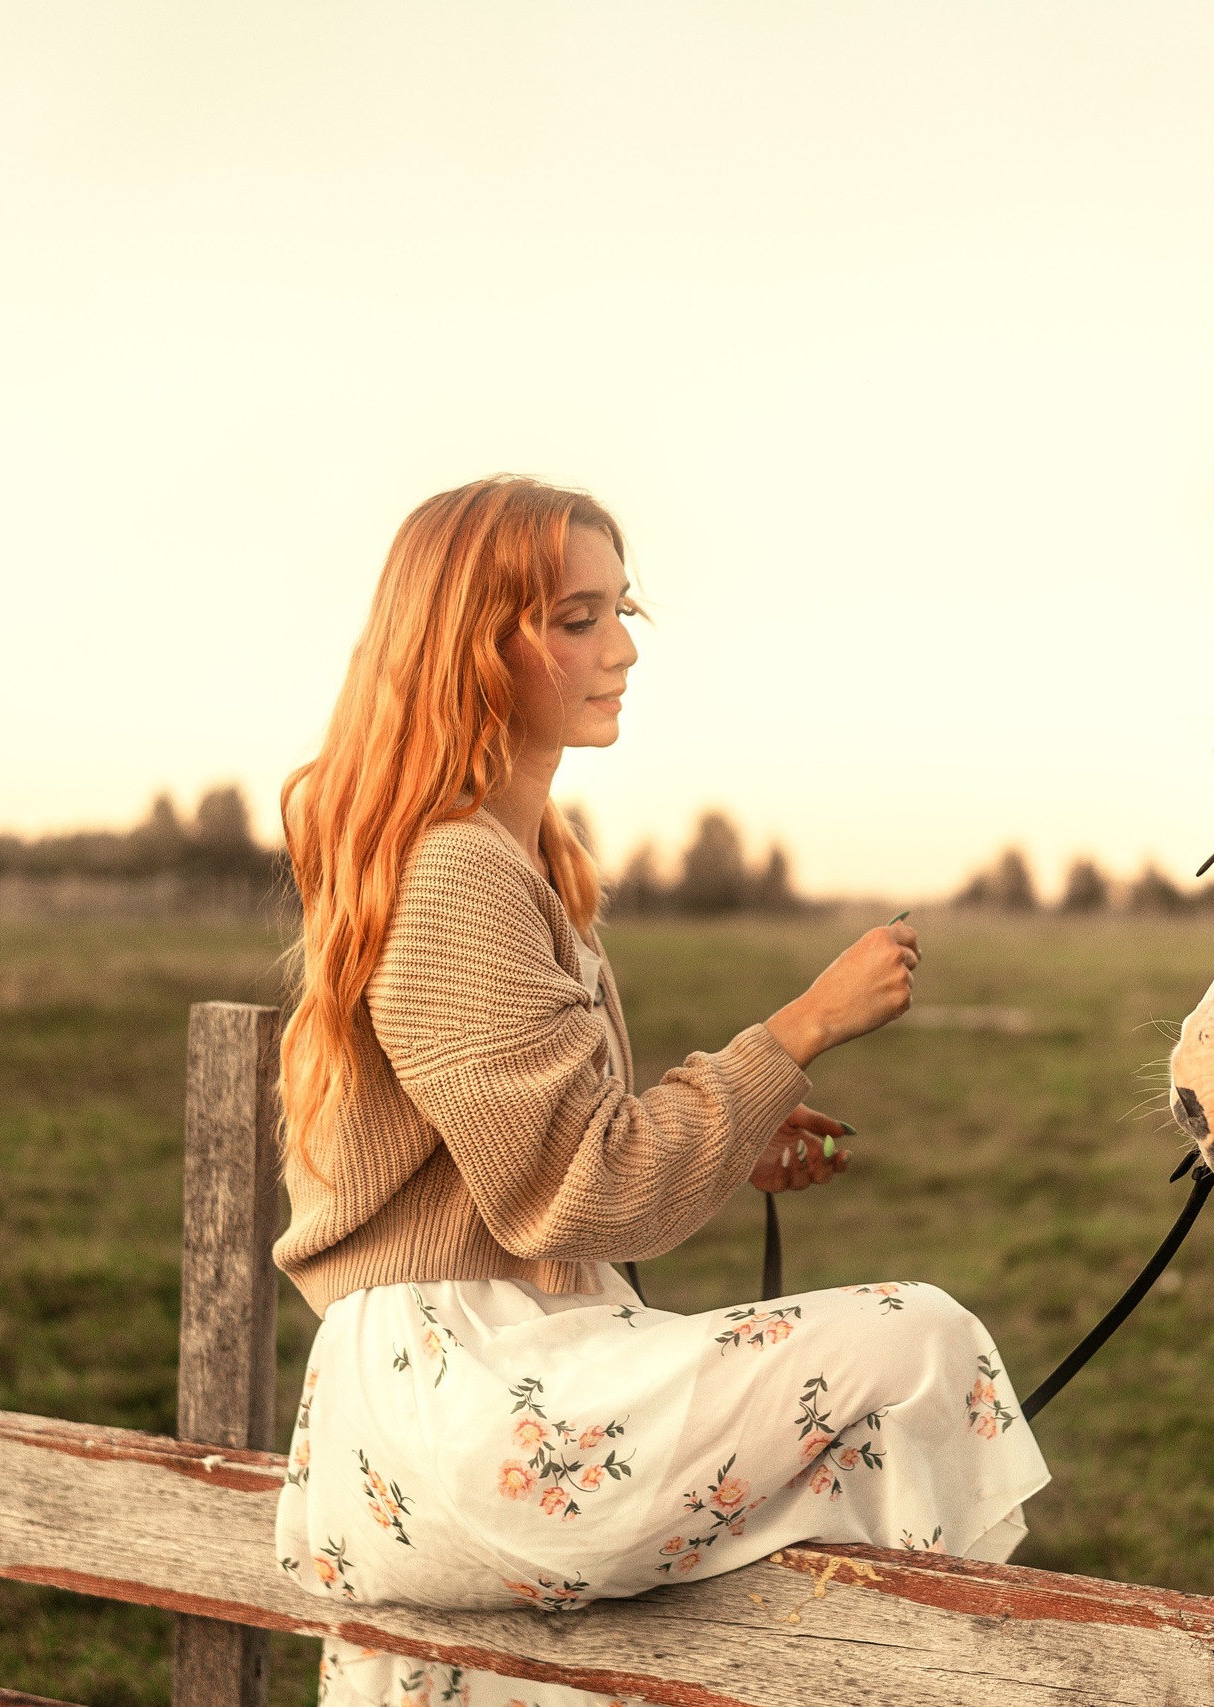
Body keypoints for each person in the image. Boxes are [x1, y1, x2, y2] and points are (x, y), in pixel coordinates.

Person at [269, 477, 1048, 1706]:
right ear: (470, 645)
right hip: (467, 1397)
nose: (622, 647)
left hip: (489, 1380)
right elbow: (581, 1193)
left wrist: (727, 1138)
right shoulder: (458, 873)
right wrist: (797, 1029)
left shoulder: (515, 867)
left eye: (620, 610)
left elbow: (539, 1156)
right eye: (576, 619)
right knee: (919, 1348)